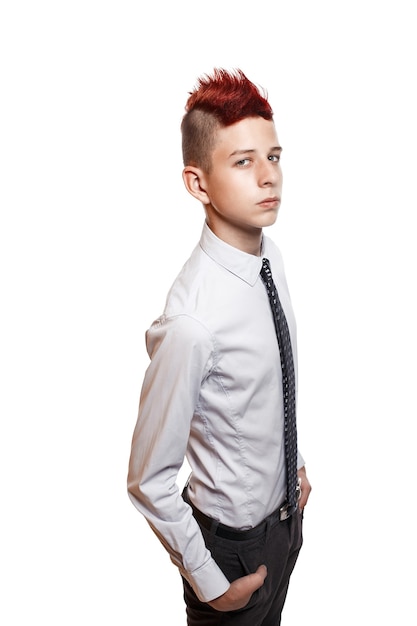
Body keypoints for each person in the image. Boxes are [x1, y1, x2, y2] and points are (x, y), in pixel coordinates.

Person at [127, 68, 312, 625]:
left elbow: (263, 383)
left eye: (273, 156)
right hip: (231, 552)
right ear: (198, 183)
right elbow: (148, 478)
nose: (267, 178)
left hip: (285, 525)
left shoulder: (268, 256)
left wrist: (293, 469)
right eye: (242, 161)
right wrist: (211, 584)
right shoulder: (191, 322)